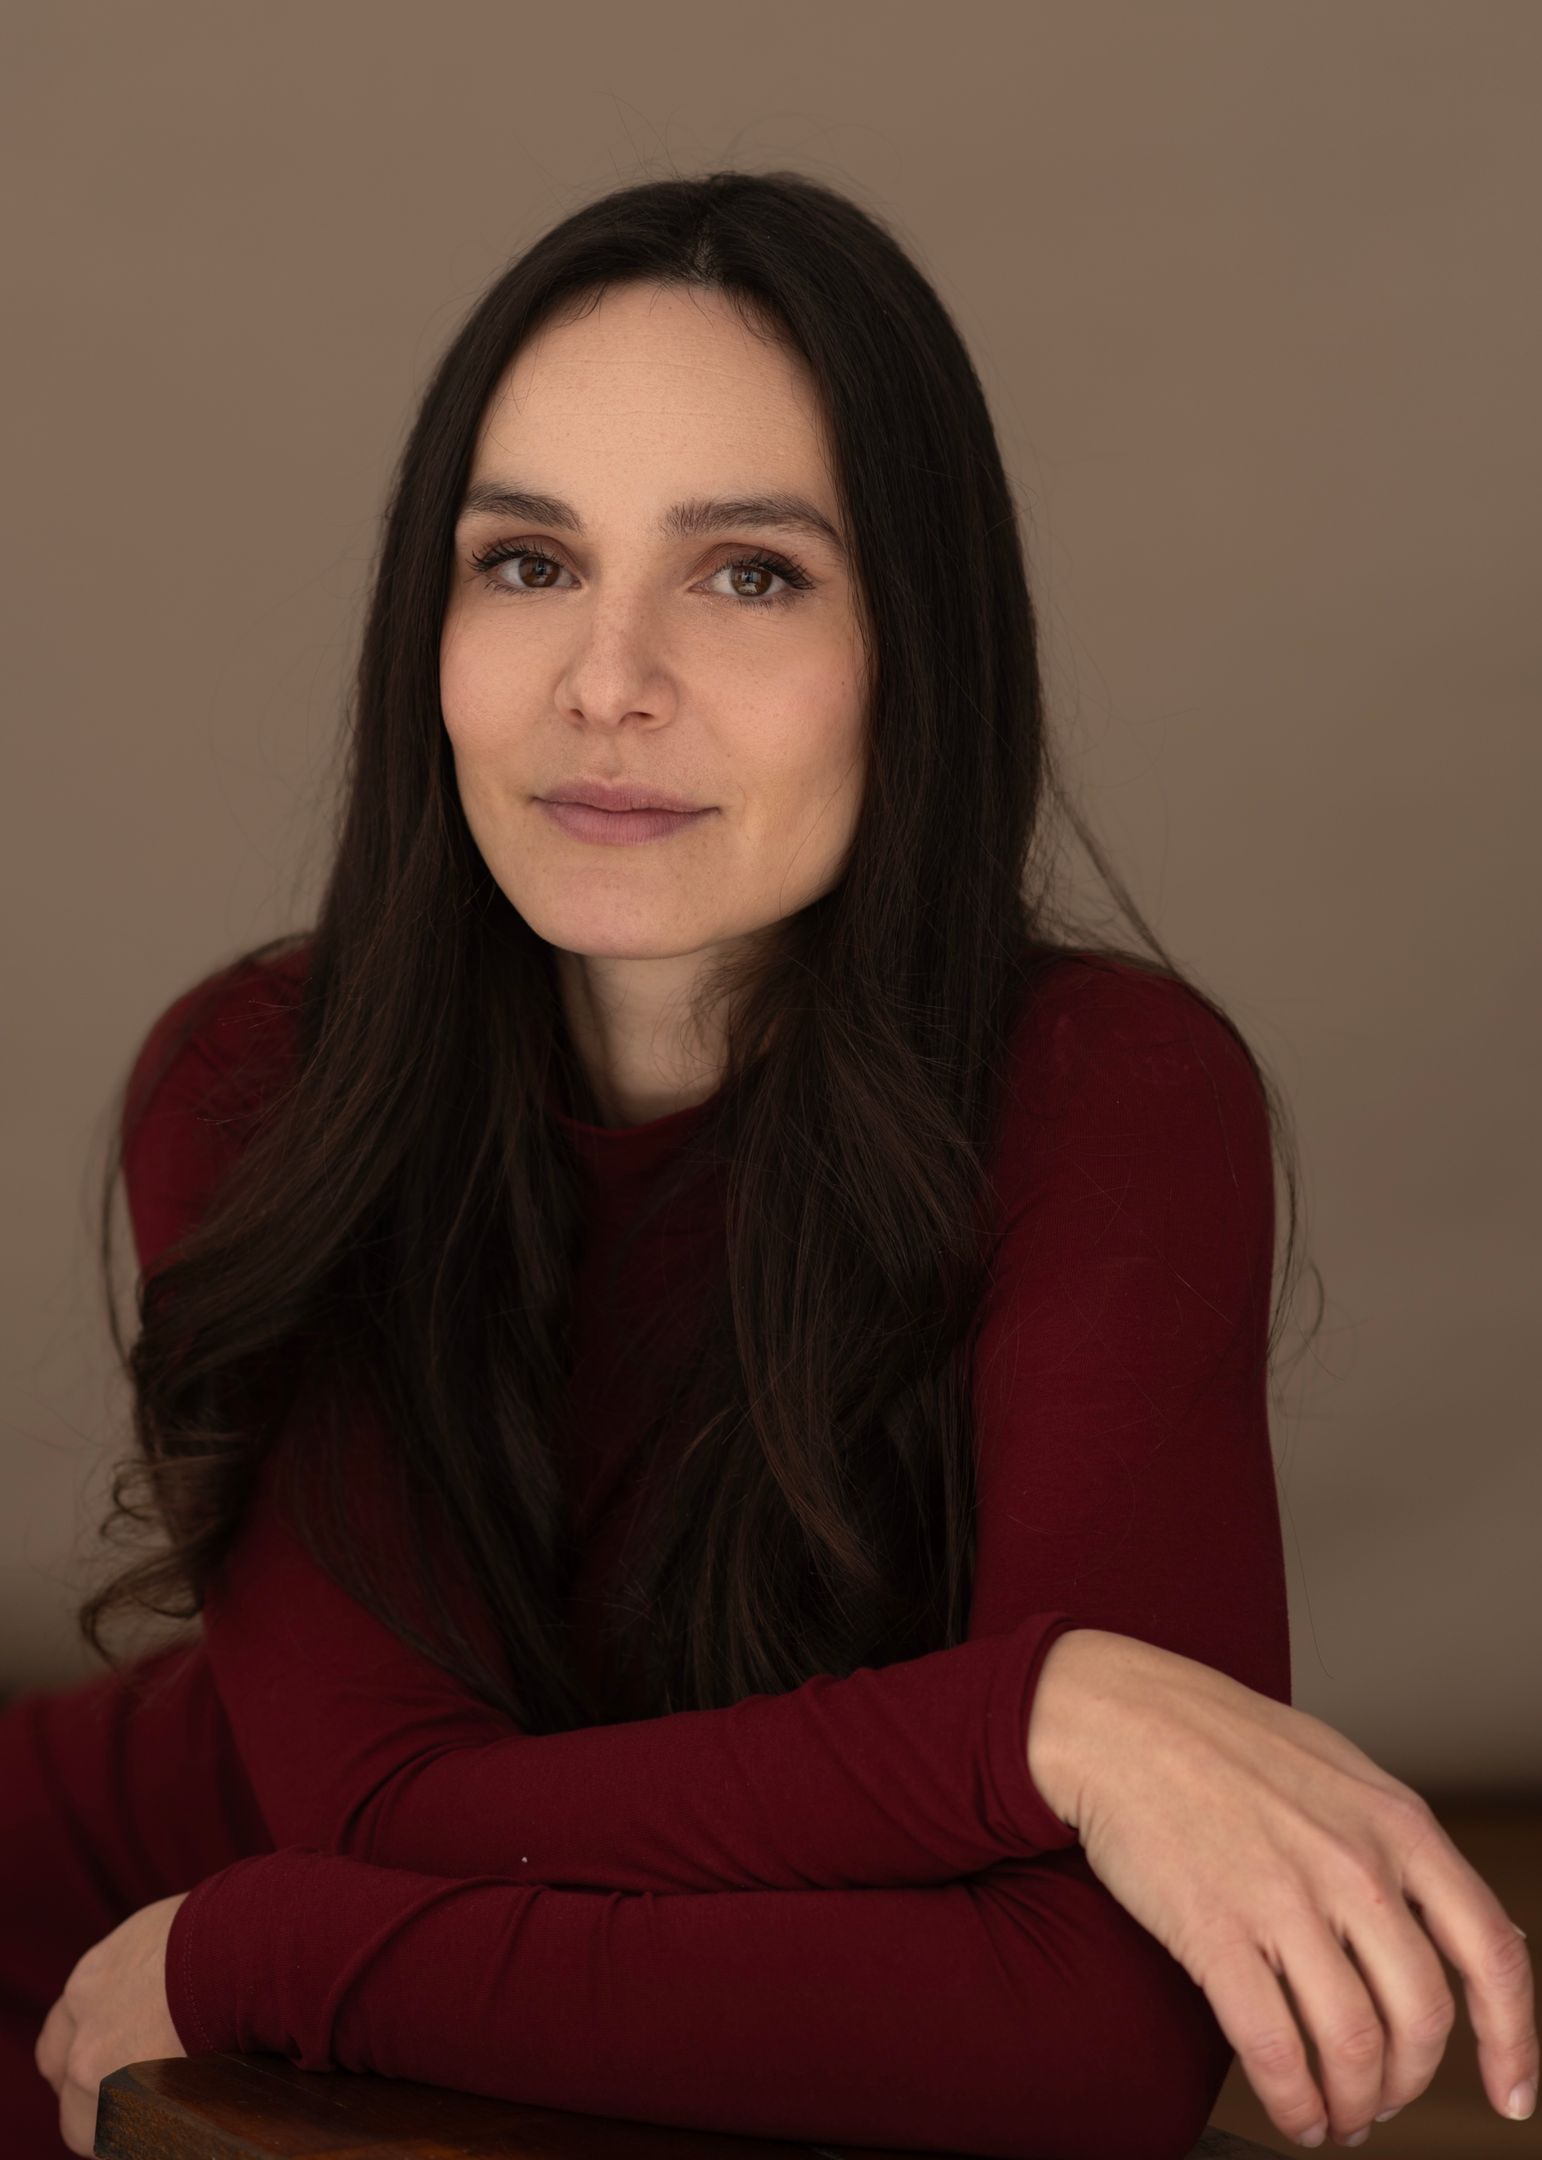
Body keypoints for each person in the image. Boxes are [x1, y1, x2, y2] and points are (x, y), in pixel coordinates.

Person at [6, 170, 1533, 2160]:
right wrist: (1045, 1725)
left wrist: (264, 1947)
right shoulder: (257, 1083)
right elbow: (383, 1806)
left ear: (918, 650)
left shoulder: (1108, 1098)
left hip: (252, 1985)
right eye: (526, 561)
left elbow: (1095, 2048)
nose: (606, 679)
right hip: (96, 1998)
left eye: (748, 574)